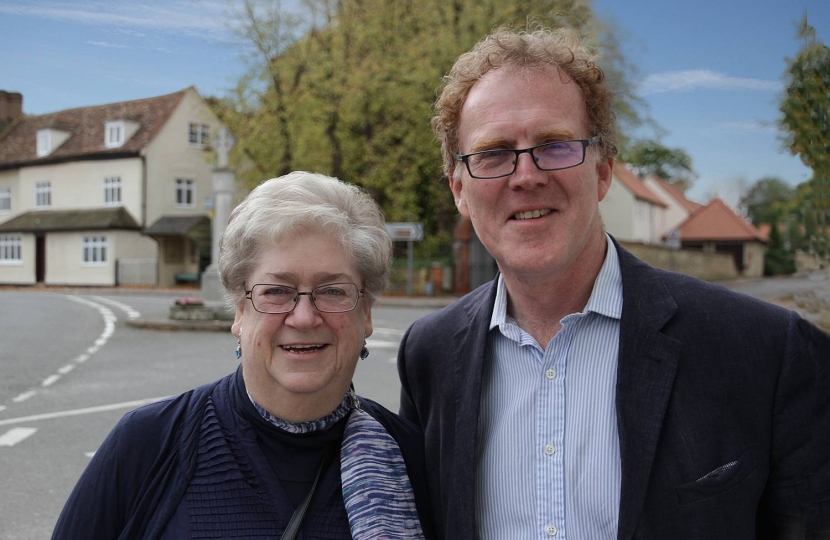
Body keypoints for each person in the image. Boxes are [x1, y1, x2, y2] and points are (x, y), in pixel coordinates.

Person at [397, 26, 830, 539]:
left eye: (555, 145)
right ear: (460, 190)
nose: (526, 175)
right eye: (493, 153)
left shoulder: (768, 351)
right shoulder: (429, 355)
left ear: (603, 170)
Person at [53, 171, 436, 539]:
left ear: (365, 312)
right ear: (240, 310)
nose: (303, 317)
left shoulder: (412, 458)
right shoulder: (147, 446)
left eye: (333, 291)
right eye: (276, 291)